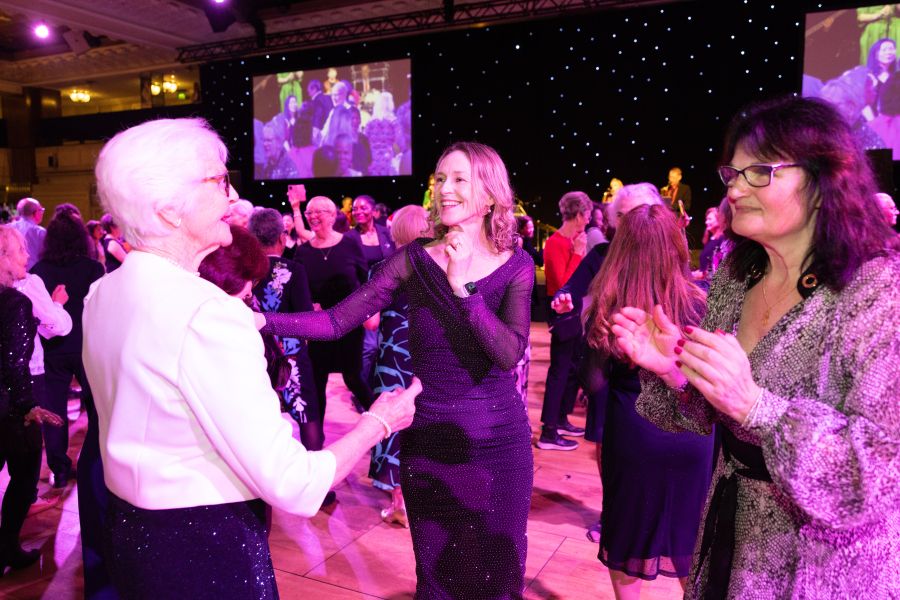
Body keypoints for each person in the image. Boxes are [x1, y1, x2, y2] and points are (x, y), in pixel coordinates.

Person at [83, 117, 418, 598]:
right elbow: (295, 484)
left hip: (134, 536)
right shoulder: (208, 314)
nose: (233, 196)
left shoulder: (102, 293)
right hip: (205, 549)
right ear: (169, 211)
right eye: (219, 181)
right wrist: (379, 422)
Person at [612, 96, 900, 597]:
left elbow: (876, 476)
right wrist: (676, 370)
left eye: (760, 172)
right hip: (730, 529)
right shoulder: (736, 276)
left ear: (824, 181)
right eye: (733, 173)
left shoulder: (877, 292)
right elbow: (707, 414)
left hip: (824, 564)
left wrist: (756, 407)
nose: (735, 189)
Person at [261, 141, 535, 599]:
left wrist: (464, 289)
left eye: (459, 179)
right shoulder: (414, 260)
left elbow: (509, 353)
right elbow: (336, 321)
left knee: (497, 576)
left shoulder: (516, 265)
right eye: (440, 178)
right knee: (438, 579)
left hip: (498, 443)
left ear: (490, 195)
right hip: (429, 441)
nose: (444, 189)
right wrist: (261, 320)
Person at [579, 204, 713, 598]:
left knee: (627, 538)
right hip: (693, 432)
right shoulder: (701, 301)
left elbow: (593, 383)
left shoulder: (608, 306)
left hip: (634, 434)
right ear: (677, 246)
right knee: (693, 540)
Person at [0, 225, 63, 576]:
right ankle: (6, 546)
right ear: (3, 257)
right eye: (21, 250)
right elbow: (14, 363)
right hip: (10, 409)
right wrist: (28, 406)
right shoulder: (14, 302)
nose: (28, 255)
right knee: (25, 477)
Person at [368, 204, 433, 527]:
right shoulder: (439, 268)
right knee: (424, 421)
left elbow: (370, 322)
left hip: (393, 358)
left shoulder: (383, 269)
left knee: (392, 422)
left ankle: (399, 502)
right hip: (428, 356)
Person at [30, 206, 104, 488]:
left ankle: (59, 470)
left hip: (54, 349)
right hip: (87, 345)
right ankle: (96, 463)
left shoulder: (38, 271)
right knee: (96, 407)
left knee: (54, 410)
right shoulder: (93, 269)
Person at [292, 196, 375, 433]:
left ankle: (385, 428)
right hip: (320, 326)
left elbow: (365, 280)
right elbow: (299, 289)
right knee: (317, 381)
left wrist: (368, 311)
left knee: (353, 377)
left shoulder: (349, 244)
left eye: (319, 211)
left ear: (331, 215)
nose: (313, 216)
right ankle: (314, 440)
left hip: (349, 324)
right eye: (309, 213)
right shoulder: (303, 252)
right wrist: (309, 306)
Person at [537, 191, 593, 450]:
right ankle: (548, 433)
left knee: (570, 369)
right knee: (559, 372)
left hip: (573, 313)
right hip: (561, 312)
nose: (589, 220)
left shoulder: (570, 242)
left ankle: (559, 420)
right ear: (579, 215)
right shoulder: (556, 243)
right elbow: (564, 286)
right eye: (588, 214)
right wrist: (579, 254)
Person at [861, 38, 898, 123]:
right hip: (873, 121)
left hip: (893, 123)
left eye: (891, 49)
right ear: (875, 53)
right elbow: (865, 105)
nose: (888, 52)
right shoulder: (869, 76)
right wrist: (875, 123)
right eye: (884, 50)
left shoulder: (895, 76)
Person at [10, 198, 46, 270]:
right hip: (34, 272)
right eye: (41, 210)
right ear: (36, 212)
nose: (42, 213)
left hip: (9, 272)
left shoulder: (6, 228)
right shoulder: (40, 232)